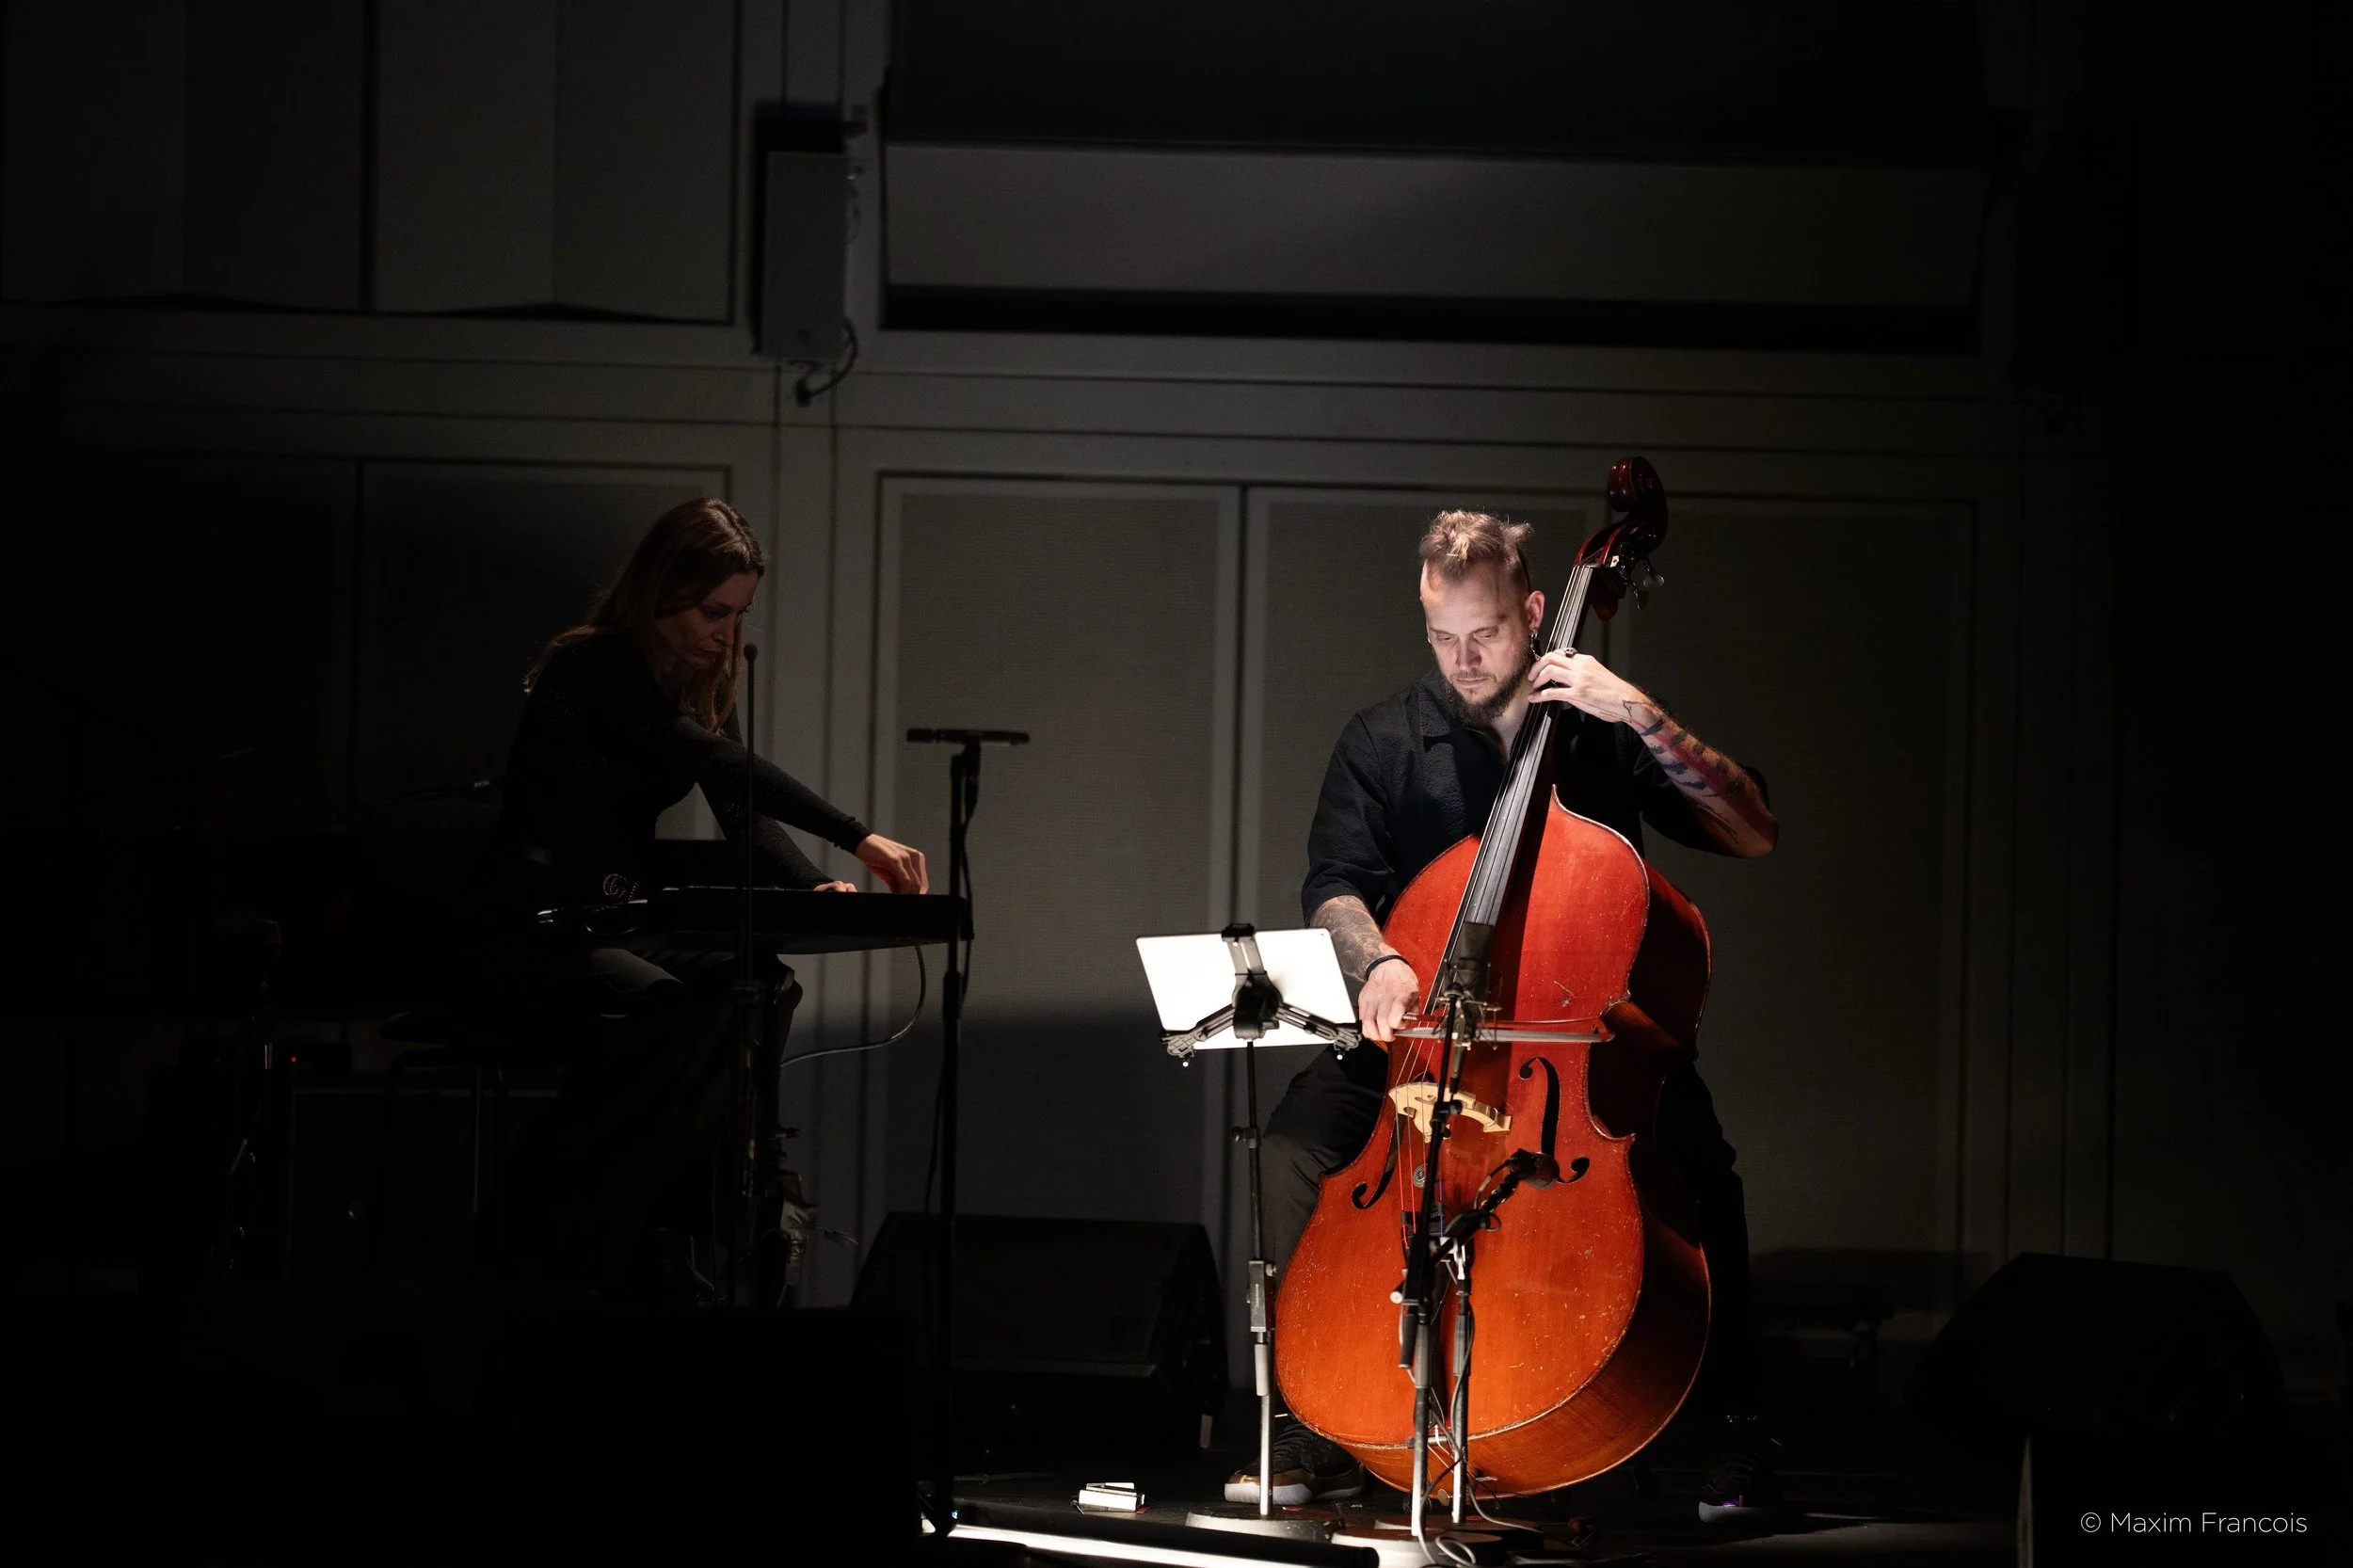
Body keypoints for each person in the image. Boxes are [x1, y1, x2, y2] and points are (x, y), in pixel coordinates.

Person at [1226, 511, 1783, 1524]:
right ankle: (1318, 1419)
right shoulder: (1383, 737)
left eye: (1483, 633)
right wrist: (1379, 959)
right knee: (1296, 1143)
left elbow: (1750, 828)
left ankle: (1729, 1427)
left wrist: (1639, 708)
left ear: (1535, 611)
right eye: (1442, 636)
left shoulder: (1604, 728)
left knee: (1699, 1163)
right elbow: (1336, 882)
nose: (1463, 658)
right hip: (1422, 1035)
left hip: (1573, 1049)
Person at [468, 497, 928, 1298]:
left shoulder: (701, 681)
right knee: (677, 1007)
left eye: (740, 612)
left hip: (618, 919)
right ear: (661, 589)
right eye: (714, 610)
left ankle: (685, 1187)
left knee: (761, 983)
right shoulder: (597, 666)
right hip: (537, 927)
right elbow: (715, 765)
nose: (727, 630)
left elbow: (739, 808)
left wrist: (808, 884)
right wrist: (858, 835)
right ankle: (595, 1207)